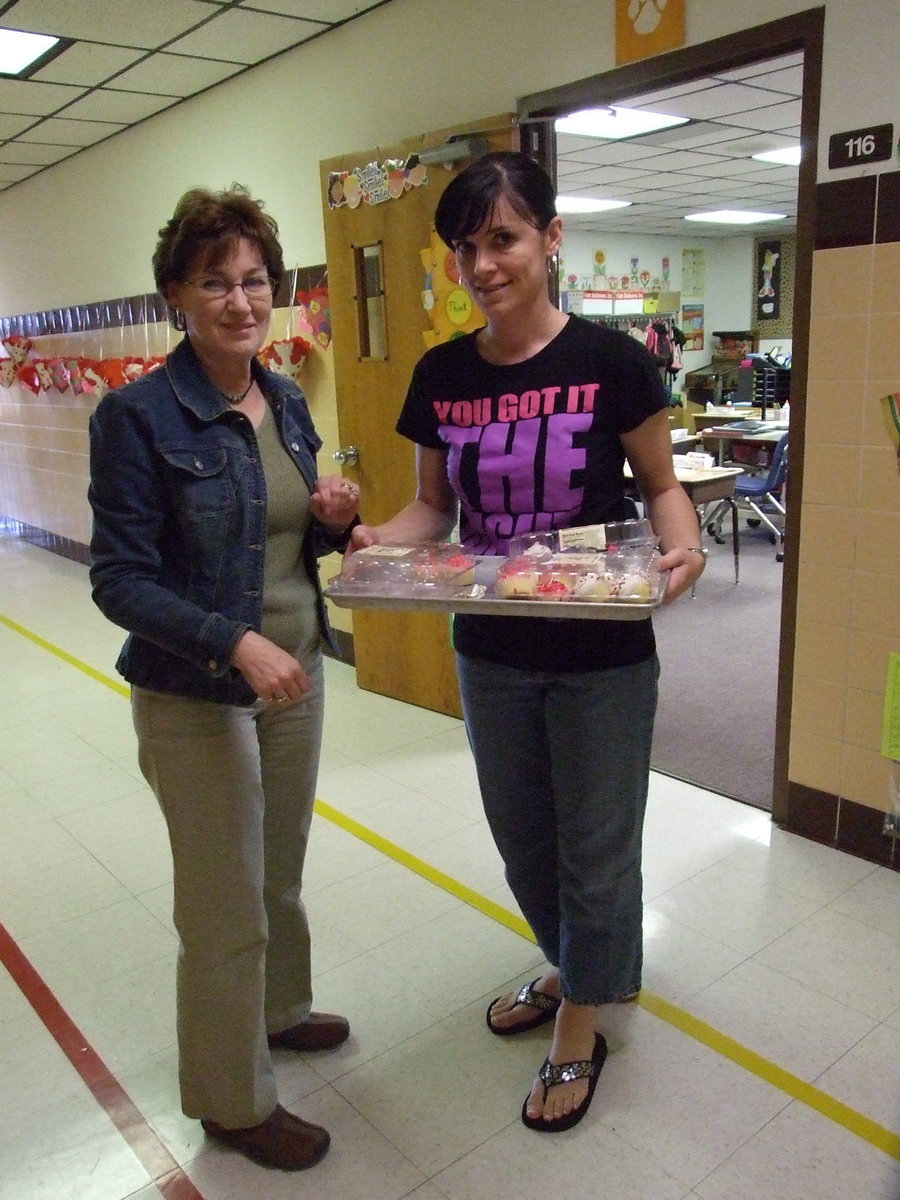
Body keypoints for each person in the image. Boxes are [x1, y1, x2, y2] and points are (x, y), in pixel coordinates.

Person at [349, 151, 706, 1133]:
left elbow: (662, 487)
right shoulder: (442, 375)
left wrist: (684, 547)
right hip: (493, 651)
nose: (483, 263)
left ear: (550, 240)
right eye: (465, 246)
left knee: (596, 847)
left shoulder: (614, 362)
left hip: (601, 656)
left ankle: (578, 1023)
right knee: (524, 844)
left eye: (503, 238)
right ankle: (577, 967)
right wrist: (382, 540)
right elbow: (432, 509)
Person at [88, 185, 359, 1171]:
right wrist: (232, 642)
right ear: (177, 294)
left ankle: (280, 1012)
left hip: (298, 676)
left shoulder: (283, 397)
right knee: (222, 901)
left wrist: (333, 515)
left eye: (255, 281)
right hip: (197, 687)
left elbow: (290, 537)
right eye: (216, 282)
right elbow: (117, 578)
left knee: (277, 873)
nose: (241, 301)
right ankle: (231, 1101)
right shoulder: (137, 416)